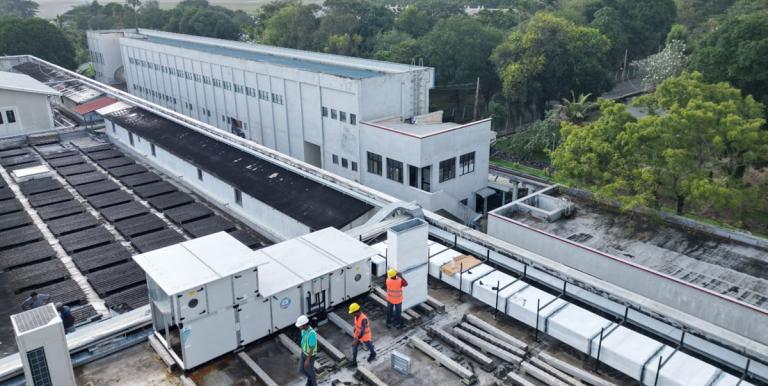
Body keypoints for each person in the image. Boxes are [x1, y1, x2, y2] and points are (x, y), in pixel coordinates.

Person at [348, 302, 376, 367]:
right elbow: (357, 324)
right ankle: (354, 362)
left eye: (352, 313)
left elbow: (362, 331)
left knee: (368, 345)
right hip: (357, 333)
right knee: (354, 347)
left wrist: (356, 340)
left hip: (365, 335)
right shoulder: (356, 316)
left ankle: (373, 353)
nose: (352, 314)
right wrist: (355, 328)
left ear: (356, 311)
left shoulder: (364, 319)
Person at [295, 315, 317, 386]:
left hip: (310, 356)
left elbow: (312, 347)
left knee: (311, 372)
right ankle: (309, 379)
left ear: (304, 325)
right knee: (301, 369)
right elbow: (304, 341)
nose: (298, 327)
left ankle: (314, 384)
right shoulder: (303, 331)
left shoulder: (312, 334)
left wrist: (307, 360)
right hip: (303, 353)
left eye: (300, 325)